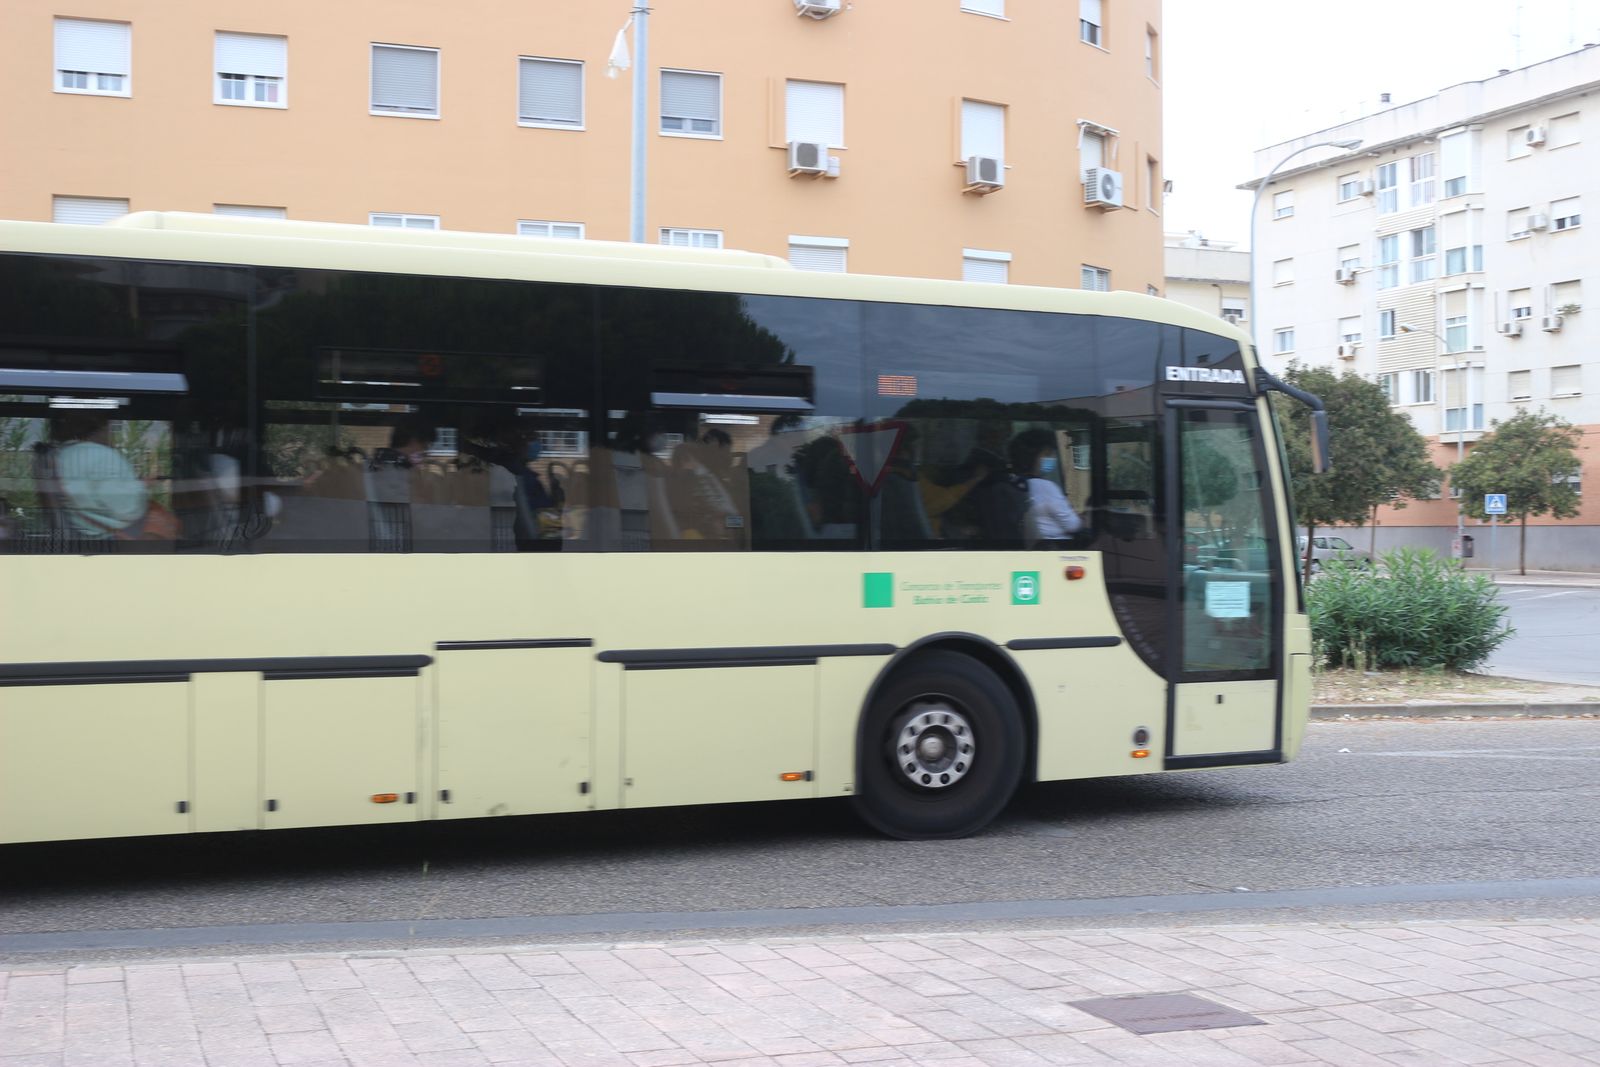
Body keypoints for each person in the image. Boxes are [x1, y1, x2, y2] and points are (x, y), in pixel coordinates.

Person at [1008, 428, 1083, 547]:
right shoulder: (1046, 487)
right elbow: (1073, 525)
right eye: (1047, 454)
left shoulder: (1013, 483)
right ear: (1031, 457)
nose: (1053, 457)